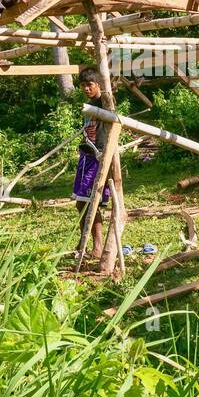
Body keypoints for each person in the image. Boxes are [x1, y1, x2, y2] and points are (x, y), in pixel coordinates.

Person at [72, 68, 111, 263]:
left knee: (92, 202)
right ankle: (84, 241)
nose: (87, 88)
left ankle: (96, 245)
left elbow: (111, 96)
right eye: (83, 85)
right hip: (86, 156)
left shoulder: (103, 102)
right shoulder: (89, 105)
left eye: (90, 84)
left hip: (98, 157)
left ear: (99, 85)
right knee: (81, 203)